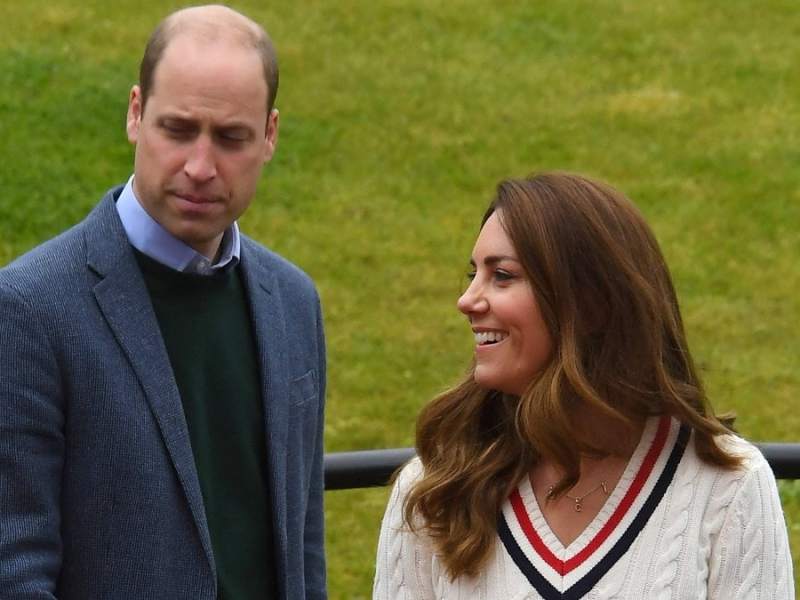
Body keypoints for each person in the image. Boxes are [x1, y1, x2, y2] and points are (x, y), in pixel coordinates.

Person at [0, 5, 326, 599]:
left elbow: (303, 550)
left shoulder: (294, 303)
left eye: (231, 138)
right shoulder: (29, 308)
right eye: (178, 130)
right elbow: (15, 569)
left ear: (270, 135)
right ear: (135, 113)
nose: (200, 167)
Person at [373, 172, 793, 599]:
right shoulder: (436, 484)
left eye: (501, 275)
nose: (467, 300)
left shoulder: (725, 484)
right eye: (473, 274)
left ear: (590, 302)